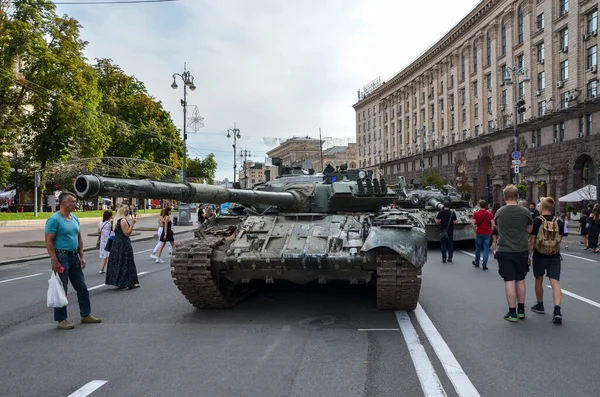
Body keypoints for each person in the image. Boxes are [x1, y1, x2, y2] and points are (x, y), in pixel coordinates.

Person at [44, 192, 102, 330]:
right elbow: (48, 241)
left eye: (75, 201)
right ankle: (61, 319)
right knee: (62, 288)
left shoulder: (75, 218)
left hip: (74, 256)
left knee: (82, 286)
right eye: (72, 202)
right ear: (63, 203)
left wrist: (82, 256)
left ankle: (85, 314)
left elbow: (79, 238)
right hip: (61, 257)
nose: (75, 204)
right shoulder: (54, 220)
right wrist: (54, 259)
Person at [494, 184, 533, 322]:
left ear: (504, 197)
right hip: (521, 249)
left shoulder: (499, 212)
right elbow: (529, 230)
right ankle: (521, 310)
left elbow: (497, 227)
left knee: (509, 280)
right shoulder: (525, 212)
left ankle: (512, 313)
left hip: (505, 250)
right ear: (517, 196)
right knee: (520, 279)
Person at [529, 197, 564, 324]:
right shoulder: (558, 222)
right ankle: (557, 310)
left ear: (542, 207)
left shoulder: (537, 221)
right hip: (554, 255)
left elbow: (532, 241)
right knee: (555, 282)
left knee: (539, 279)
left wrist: (529, 256)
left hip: (539, 255)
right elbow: (559, 240)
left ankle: (540, 305)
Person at [105, 204, 140, 289]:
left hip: (116, 243)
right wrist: (132, 224)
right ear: (123, 211)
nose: (128, 211)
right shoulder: (123, 220)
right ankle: (130, 282)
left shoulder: (115, 220)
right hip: (123, 243)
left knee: (119, 262)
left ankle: (119, 281)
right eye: (126, 209)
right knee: (127, 262)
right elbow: (127, 233)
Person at [471, 199, 494, 270]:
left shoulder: (476, 213)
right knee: (486, 249)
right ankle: (484, 265)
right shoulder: (490, 214)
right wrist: (491, 232)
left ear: (479, 205)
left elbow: (472, 223)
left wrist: (476, 230)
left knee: (478, 248)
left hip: (479, 232)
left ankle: (477, 262)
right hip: (487, 233)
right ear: (486, 205)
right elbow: (493, 225)